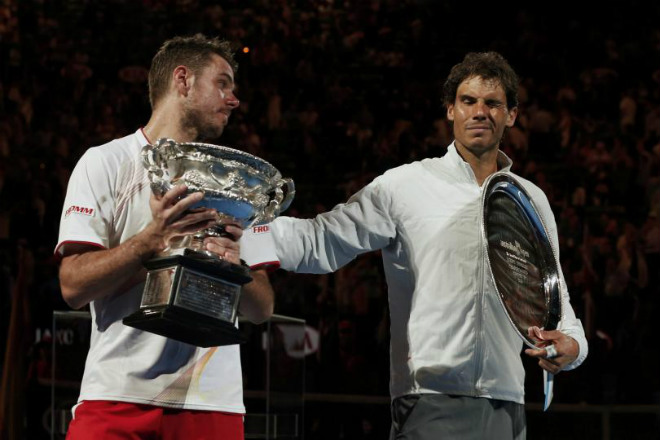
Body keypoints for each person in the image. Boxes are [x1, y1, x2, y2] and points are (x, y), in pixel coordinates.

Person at [270, 52, 588, 439]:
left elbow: (553, 296)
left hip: (507, 404)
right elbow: (321, 240)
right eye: (468, 101)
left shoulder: (530, 199)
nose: (480, 112)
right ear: (450, 110)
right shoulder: (405, 185)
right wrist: (245, 238)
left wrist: (573, 345)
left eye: (492, 103)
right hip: (428, 399)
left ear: (512, 115)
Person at [56, 34, 279, 439]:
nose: (234, 99)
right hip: (117, 393)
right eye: (223, 83)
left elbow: (262, 308)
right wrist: (152, 238)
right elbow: (73, 286)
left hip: (211, 400)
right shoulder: (106, 163)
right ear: (183, 80)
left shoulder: (240, 184)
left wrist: (235, 263)